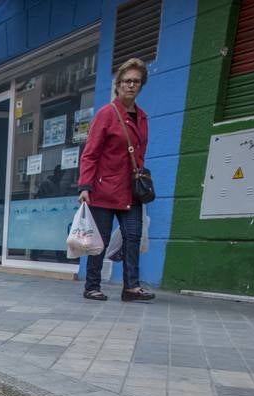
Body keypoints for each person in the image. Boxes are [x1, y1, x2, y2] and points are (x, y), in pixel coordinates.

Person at [76, 58, 153, 302]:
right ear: (118, 85)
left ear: (141, 86)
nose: (131, 85)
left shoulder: (142, 117)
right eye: (127, 81)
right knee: (101, 239)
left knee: (133, 237)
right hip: (105, 188)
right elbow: (90, 152)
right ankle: (92, 285)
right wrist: (85, 186)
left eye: (136, 82)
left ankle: (131, 287)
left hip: (131, 191)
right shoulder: (106, 115)